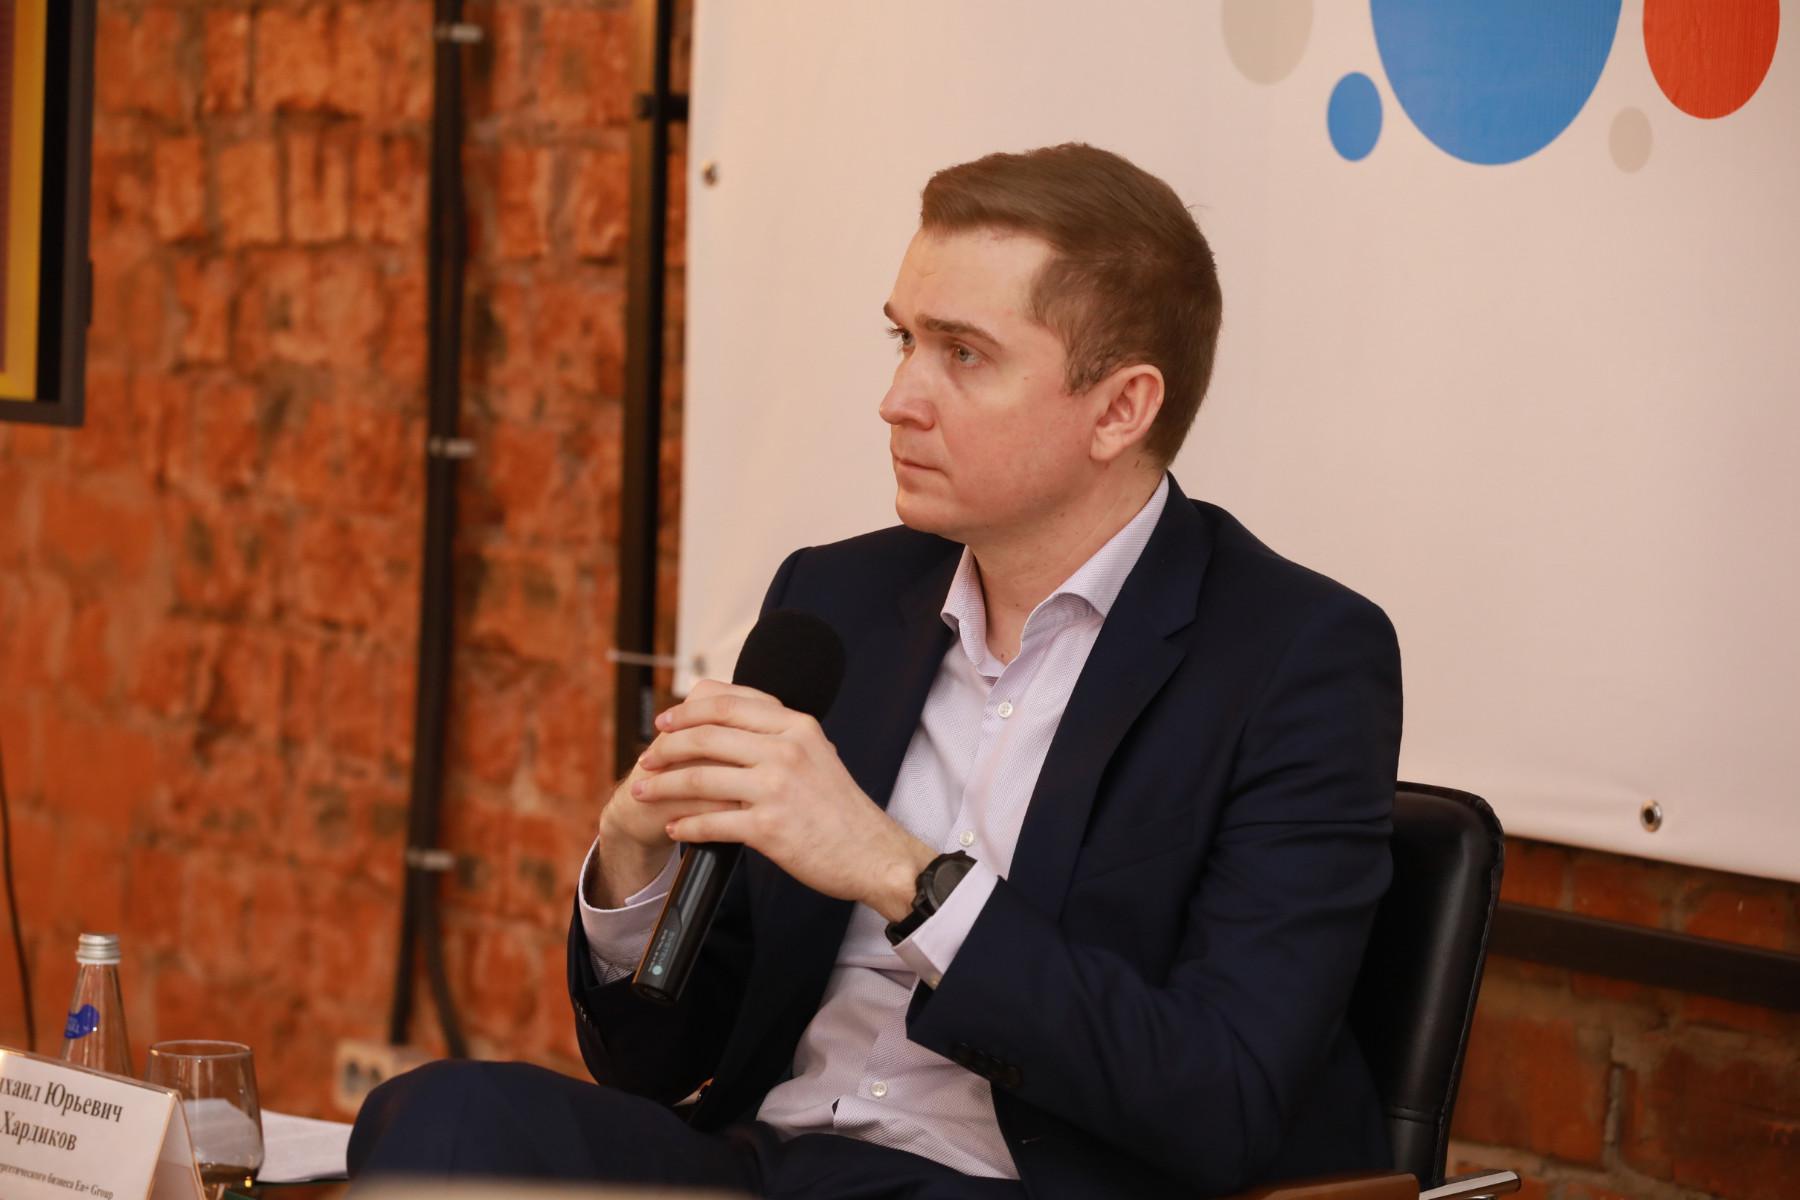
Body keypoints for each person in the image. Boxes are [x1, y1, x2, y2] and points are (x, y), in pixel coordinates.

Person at [349, 143, 1401, 1199]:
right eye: (905, 340)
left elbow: (1223, 1097)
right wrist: (635, 867)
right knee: (439, 1118)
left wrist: (903, 875)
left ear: (1120, 409)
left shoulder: (1294, 658)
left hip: (1017, 1187)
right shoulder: (836, 599)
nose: (899, 399)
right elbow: (657, 1064)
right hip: (772, 1163)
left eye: (964, 355)